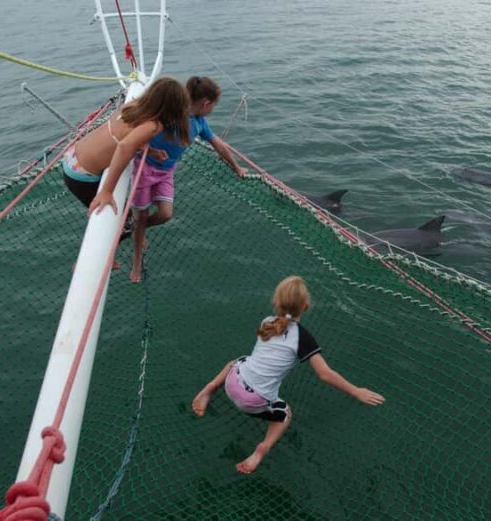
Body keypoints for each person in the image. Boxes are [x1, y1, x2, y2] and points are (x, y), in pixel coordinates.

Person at [191, 276, 385, 474]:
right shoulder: (303, 338)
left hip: (231, 382)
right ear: (306, 305)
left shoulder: (267, 321)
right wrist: (356, 391)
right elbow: (324, 374)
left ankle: (209, 388)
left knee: (239, 360)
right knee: (285, 414)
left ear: (276, 302)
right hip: (250, 401)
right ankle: (262, 449)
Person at [91, 75, 248, 283]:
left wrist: (237, 168)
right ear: (205, 103)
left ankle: (138, 227)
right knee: (143, 214)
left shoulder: (200, 123)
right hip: (144, 171)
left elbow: (218, 144)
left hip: (166, 173)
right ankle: (137, 261)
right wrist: (153, 151)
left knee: (165, 214)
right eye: (213, 106)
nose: (211, 111)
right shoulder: (170, 116)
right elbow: (135, 138)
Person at [61, 76, 191, 267]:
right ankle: (89, 261)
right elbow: (124, 147)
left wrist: (152, 151)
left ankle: (116, 245)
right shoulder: (154, 125)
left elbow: (125, 135)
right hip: (83, 176)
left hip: (73, 157)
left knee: (126, 217)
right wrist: (106, 190)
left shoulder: (134, 106)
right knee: (128, 222)